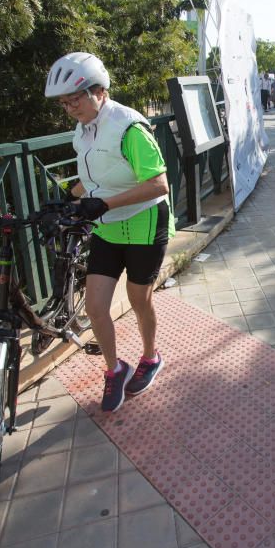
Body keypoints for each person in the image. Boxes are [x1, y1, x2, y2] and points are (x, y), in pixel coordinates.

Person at [45, 52, 172, 412]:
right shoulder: (83, 129)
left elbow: (159, 184)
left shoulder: (129, 127)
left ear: (99, 91)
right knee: (97, 306)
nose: (69, 108)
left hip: (144, 222)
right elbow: (96, 177)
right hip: (107, 227)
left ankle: (150, 357)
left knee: (138, 299)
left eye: (75, 99)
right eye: (64, 102)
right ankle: (114, 369)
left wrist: (104, 204)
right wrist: (67, 197)